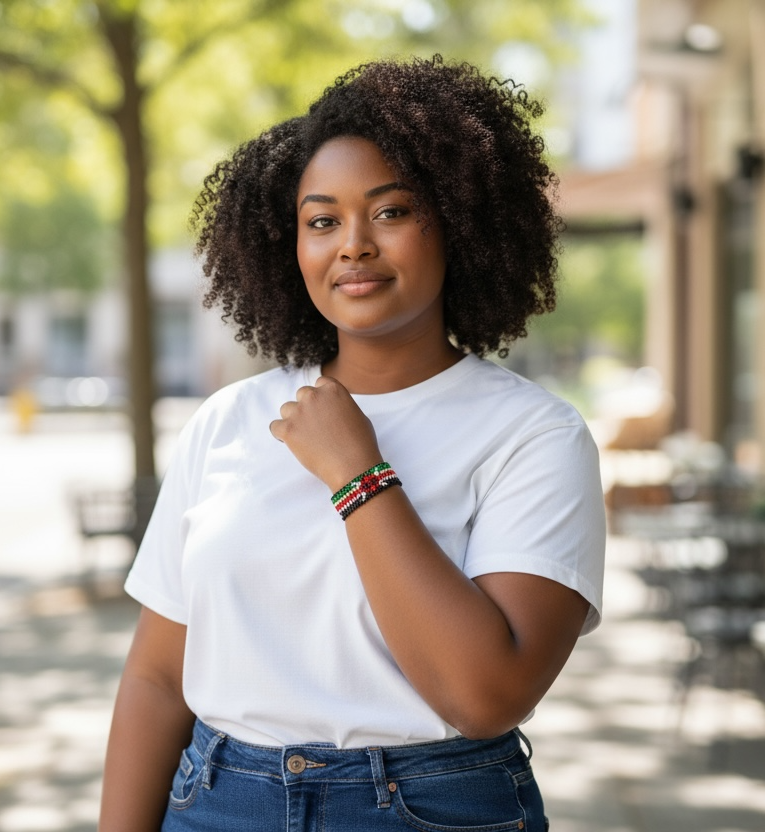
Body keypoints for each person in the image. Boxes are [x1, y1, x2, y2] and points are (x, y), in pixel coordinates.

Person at [100, 55, 607, 832]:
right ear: (288, 245)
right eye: (322, 220)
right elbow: (158, 678)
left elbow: (486, 694)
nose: (354, 245)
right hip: (217, 800)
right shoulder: (231, 420)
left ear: (461, 222)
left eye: (392, 211)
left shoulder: (534, 435)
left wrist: (357, 472)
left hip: (429, 809)